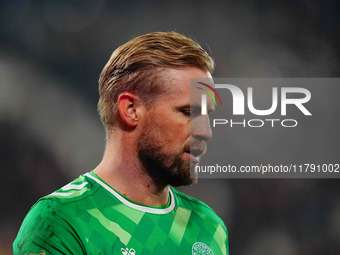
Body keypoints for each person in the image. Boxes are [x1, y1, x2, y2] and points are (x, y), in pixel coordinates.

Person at [13, 32, 229, 255]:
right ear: (131, 110)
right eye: (188, 112)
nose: (206, 132)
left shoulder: (209, 227)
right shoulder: (62, 222)